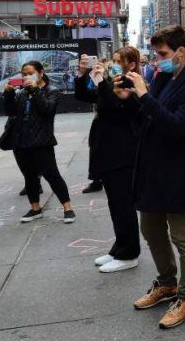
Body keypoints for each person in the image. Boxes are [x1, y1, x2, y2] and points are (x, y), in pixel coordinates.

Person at [125, 26, 185, 330]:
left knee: (184, 237)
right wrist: (131, 97)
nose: (157, 61)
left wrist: (145, 97)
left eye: (162, 54)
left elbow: (178, 127)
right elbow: (148, 115)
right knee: (150, 228)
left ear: (181, 52)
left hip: (178, 172)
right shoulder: (161, 77)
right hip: (152, 169)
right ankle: (166, 283)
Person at [74, 48, 141, 273]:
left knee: (123, 205)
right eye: (112, 61)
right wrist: (83, 74)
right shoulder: (111, 83)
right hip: (107, 150)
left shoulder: (132, 83)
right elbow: (84, 96)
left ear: (130, 64)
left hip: (123, 152)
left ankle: (129, 253)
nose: (112, 65)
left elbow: (115, 108)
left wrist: (102, 81)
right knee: (115, 203)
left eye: (117, 62)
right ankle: (119, 247)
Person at [0, 61, 75, 224]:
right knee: (29, 176)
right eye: (24, 73)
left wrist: (34, 89)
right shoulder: (21, 92)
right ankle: (35, 208)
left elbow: (46, 109)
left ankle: (67, 208)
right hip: (20, 141)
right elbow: (11, 112)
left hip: (41, 141)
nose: (26, 76)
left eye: (30, 73)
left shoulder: (51, 91)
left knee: (52, 175)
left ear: (40, 73)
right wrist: (9, 95)